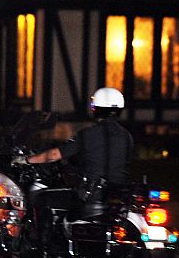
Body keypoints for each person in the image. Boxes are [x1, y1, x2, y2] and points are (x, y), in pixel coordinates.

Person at [15, 87, 132, 216]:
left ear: (96, 109)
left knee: (43, 199)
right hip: (117, 195)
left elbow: (54, 155)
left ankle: (44, 236)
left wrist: (25, 160)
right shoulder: (127, 136)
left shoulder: (88, 134)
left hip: (90, 195)